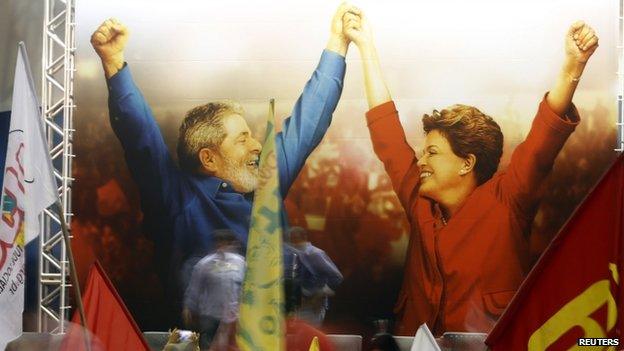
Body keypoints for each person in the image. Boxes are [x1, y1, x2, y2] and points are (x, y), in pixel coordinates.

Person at [90, 4, 359, 323]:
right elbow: (141, 138)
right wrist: (113, 63)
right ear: (209, 158)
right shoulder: (176, 199)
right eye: (243, 138)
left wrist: (338, 43)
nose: (258, 145)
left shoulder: (265, 182)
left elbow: (309, 119)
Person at [343, 10, 599, 335]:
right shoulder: (419, 200)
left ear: (467, 163)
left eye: (432, 153)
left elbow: (541, 142)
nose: (420, 161)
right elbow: (387, 134)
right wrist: (366, 49)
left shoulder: (508, 202)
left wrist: (573, 66)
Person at [287, 226, 343, 326]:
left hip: (311, 308)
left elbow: (336, 277)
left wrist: (320, 295)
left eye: (293, 238)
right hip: (296, 307)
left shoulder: (315, 254)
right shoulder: (292, 255)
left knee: (308, 338)